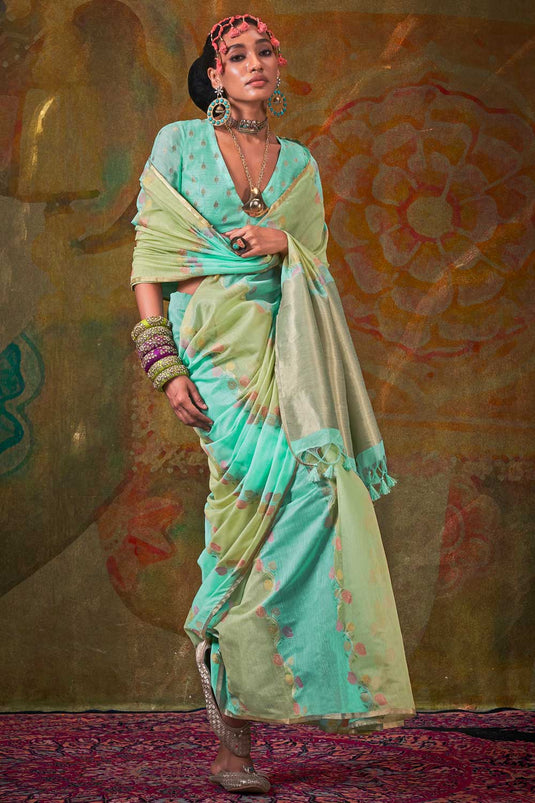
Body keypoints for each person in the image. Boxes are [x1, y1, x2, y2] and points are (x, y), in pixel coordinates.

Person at [130, 14, 416, 795]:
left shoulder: (299, 164)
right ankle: (231, 738)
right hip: (215, 354)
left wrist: (287, 245)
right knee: (238, 528)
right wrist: (163, 364)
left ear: (279, 67)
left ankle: (257, 716)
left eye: (264, 51)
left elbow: (315, 259)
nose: (253, 62)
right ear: (213, 75)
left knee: (308, 510)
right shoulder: (178, 145)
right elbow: (149, 262)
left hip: (291, 357)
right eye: (236, 54)